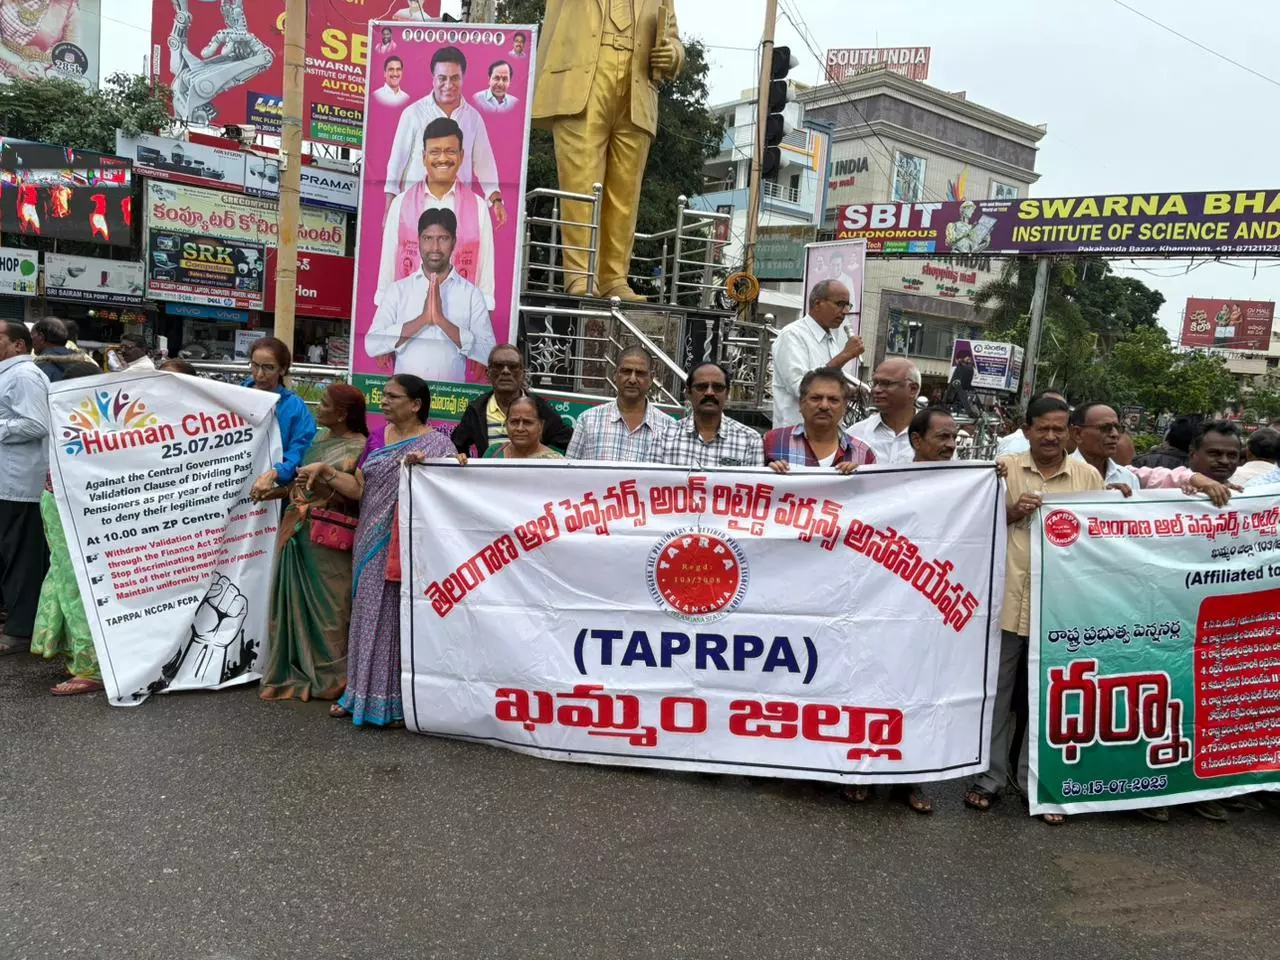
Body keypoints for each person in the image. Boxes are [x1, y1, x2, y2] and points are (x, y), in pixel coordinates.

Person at [967, 396, 1104, 824]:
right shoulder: (1003, 469)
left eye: (1058, 429)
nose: (1050, 436)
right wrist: (1009, 513)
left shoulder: (1088, 476)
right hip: (1005, 604)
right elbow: (971, 528)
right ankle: (989, 778)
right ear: (1025, 430)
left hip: (1060, 609)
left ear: (1070, 433)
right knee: (997, 695)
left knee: (1046, 700)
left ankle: (1038, 787)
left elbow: (1103, 536)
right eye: (1042, 428)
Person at [318, 375, 455, 727]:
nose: (384, 401)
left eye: (393, 396)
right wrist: (327, 474)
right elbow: (360, 488)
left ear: (416, 404)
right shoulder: (377, 438)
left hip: (407, 545)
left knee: (395, 617)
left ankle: (391, 700)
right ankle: (358, 694)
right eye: (383, 395)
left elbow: (453, 490)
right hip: (369, 540)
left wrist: (428, 469)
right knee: (365, 614)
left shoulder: (437, 445)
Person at [533, 0, 683, 299]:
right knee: (581, 188)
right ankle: (580, 276)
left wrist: (673, 56)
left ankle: (615, 277)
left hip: (637, 86)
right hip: (584, 81)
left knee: (625, 194)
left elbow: (673, 37)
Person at [254, 385, 369, 702]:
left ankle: (333, 676)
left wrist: (327, 487)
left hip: (331, 537)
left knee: (331, 605)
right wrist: (273, 492)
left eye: (327, 404)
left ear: (343, 414)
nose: (320, 408)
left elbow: (358, 495)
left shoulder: (361, 447)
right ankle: (296, 671)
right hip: (297, 532)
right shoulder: (317, 440)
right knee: (294, 604)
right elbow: (299, 487)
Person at [29, 361, 103, 695]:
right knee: (65, 576)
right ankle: (80, 657)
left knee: (73, 580)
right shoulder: (82, 418)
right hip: (61, 506)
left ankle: (91, 666)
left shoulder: (84, 419)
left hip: (75, 506)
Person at [366, 208, 496, 382]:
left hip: (450, 399)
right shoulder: (398, 291)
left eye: (443, 238)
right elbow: (372, 344)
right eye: (428, 238)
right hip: (405, 400)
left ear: (454, 242)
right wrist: (422, 319)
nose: (435, 248)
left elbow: (488, 351)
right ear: (419, 241)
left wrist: (442, 321)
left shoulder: (472, 295)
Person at [378, 118, 496, 311]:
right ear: (424, 157)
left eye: (450, 151)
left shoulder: (479, 207)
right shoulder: (400, 204)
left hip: (460, 320)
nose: (442, 159)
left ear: (461, 156)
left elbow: (485, 282)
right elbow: (387, 273)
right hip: (408, 317)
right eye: (434, 152)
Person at [384, 46, 505, 229]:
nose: (448, 85)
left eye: (455, 78)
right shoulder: (413, 114)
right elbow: (396, 164)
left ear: (463, 78)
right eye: (442, 78)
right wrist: (389, 210)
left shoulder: (473, 119)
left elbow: (484, 163)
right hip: (415, 209)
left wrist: (496, 200)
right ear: (433, 78)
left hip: (458, 211)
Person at [0, 321, 50, 656]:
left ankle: (21, 630)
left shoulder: (24, 376)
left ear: (19, 345)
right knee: (8, 555)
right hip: (6, 482)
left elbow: (37, 423)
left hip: (20, 484)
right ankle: (11, 618)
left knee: (22, 558)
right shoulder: (9, 374)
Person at [771, 280, 866, 428]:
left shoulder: (830, 339)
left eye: (848, 305)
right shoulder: (792, 335)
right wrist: (845, 355)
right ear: (817, 304)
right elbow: (800, 387)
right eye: (839, 304)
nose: (845, 311)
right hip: (796, 435)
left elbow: (828, 383)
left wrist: (850, 391)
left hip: (827, 435)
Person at [452, 344, 573, 457]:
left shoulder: (539, 407)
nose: (505, 371)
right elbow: (457, 445)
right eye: (499, 366)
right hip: (492, 478)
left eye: (513, 366)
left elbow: (565, 438)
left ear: (523, 374)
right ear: (488, 373)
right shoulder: (477, 409)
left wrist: (543, 457)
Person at [243, 338, 318, 496]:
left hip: (273, 491)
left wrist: (275, 472)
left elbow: (300, 449)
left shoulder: (295, 408)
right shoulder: (234, 395)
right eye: (255, 365)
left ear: (283, 370)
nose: (259, 374)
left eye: (268, 368)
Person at [567, 347, 672, 461]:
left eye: (640, 373)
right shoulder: (588, 421)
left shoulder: (669, 428)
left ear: (651, 378)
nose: (632, 379)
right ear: (614, 374)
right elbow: (568, 473)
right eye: (626, 371)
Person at [765, 367, 877, 473]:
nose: (824, 406)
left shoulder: (862, 453)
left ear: (844, 407)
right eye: (816, 398)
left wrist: (859, 481)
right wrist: (768, 474)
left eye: (833, 400)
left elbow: (873, 492)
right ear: (801, 403)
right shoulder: (772, 442)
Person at [655, 362, 764, 468]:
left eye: (718, 387)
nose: (710, 392)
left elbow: (755, 483)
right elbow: (649, 482)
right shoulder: (664, 437)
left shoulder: (750, 440)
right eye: (701, 387)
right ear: (688, 392)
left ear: (727, 393)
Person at [1129, 420, 1240, 507]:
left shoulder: (1242, 494)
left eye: (1232, 455)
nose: (1224, 461)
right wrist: (1192, 478)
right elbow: (1125, 472)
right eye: (1214, 453)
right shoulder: (1169, 483)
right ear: (1192, 453)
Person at [847, 359, 921, 464]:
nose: (876, 390)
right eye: (875, 383)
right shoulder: (854, 435)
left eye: (886, 383)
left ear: (913, 389)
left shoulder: (936, 436)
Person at [1069, 403, 1142, 496]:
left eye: (1117, 427)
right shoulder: (1059, 475)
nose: (1115, 434)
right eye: (1105, 428)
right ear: (1077, 434)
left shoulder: (1128, 477)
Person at [472, 395, 565, 460]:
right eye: (514, 422)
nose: (520, 428)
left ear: (541, 425)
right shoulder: (494, 452)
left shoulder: (555, 462)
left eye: (527, 422)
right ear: (506, 424)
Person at [996, 390, 1073, 457]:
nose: (1050, 437)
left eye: (1061, 407)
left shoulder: (1079, 469)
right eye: (1049, 405)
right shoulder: (1012, 448)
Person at [31, 318, 92, 383]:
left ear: (41, 337)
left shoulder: (40, 367)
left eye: (32, 335)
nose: (31, 340)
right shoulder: (88, 363)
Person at [945, 353, 979, 419]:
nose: (969, 359)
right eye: (967, 358)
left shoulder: (963, 367)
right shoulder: (967, 368)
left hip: (959, 398)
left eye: (969, 358)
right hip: (960, 398)